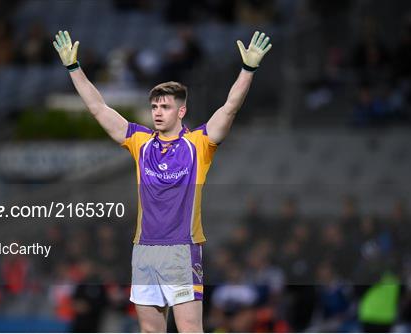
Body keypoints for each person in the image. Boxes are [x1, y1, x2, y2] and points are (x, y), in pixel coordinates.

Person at [53, 30, 272, 332]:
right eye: (154, 106)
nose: (157, 112)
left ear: (181, 111)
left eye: (165, 107)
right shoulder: (139, 142)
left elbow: (230, 107)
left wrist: (248, 70)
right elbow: (98, 108)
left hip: (181, 249)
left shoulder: (199, 144)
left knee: (189, 330)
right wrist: (74, 69)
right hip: (144, 249)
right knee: (150, 331)